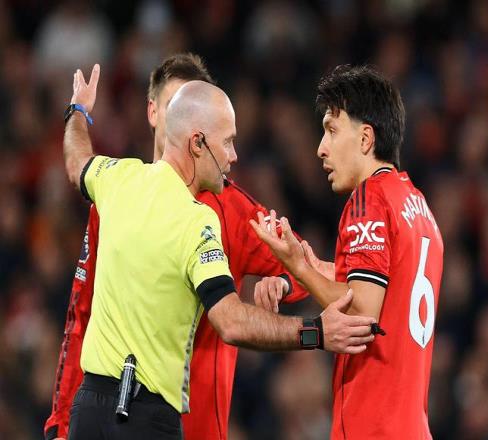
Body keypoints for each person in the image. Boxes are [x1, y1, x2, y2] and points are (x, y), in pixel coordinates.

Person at [62, 64, 376, 439]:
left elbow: (76, 161)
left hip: (89, 411)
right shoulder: (197, 221)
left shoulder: (118, 177)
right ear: (197, 144)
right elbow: (231, 321)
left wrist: (78, 111)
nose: (234, 155)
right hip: (144, 419)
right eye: (227, 142)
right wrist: (317, 332)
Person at [251, 65, 444, 439]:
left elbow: (362, 315)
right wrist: (304, 269)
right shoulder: (418, 207)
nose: (320, 148)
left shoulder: (369, 200)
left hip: (373, 427)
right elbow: (373, 285)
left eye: (331, 130)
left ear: (366, 138)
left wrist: (298, 267)